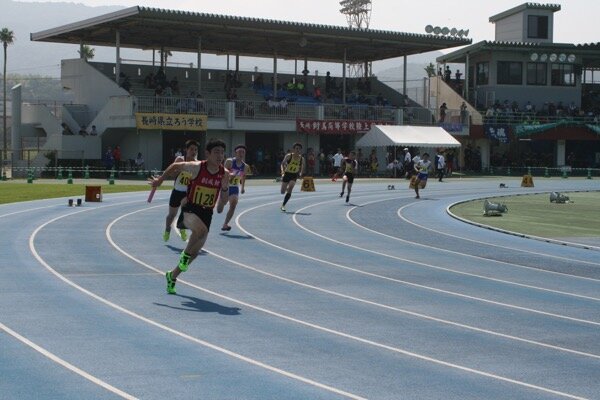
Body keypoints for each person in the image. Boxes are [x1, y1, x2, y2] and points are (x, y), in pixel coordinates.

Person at [149, 139, 230, 295]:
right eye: (216, 152)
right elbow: (175, 166)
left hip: (207, 212)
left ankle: (172, 276)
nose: (220, 156)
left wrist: (223, 197)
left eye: (222, 152)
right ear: (208, 154)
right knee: (201, 232)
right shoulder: (197, 167)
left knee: (195, 252)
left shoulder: (224, 174)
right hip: (190, 209)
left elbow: (223, 198)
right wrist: (160, 180)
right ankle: (185, 255)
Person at [162, 140, 199, 242]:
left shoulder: (197, 164)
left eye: (196, 150)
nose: (194, 152)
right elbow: (171, 175)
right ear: (186, 150)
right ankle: (167, 229)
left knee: (186, 210)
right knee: (171, 216)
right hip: (176, 191)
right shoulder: (179, 160)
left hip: (187, 193)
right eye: (191, 149)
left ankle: (182, 228)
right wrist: (179, 171)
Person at [217, 144, 247, 231]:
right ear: (235, 153)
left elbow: (244, 176)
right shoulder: (229, 161)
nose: (241, 154)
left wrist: (242, 187)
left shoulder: (245, 166)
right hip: (225, 186)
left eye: (243, 152)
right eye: (239, 152)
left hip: (234, 187)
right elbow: (222, 172)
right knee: (219, 210)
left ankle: (225, 224)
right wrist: (231, 175)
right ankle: (221, 201)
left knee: (233, 204)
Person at [279, 142, 305, 212]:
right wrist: (282, 172)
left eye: (299, 149)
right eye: (296, 148)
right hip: (287, 174)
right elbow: (282, 164)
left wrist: (300, 174)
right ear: (293, 149)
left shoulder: (301, 158)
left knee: (290, 188)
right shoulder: (288, 156)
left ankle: (283, 205)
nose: (298, 150)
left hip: (294, 175)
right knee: (282, 192)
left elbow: (302, 167)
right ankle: (286, 189)